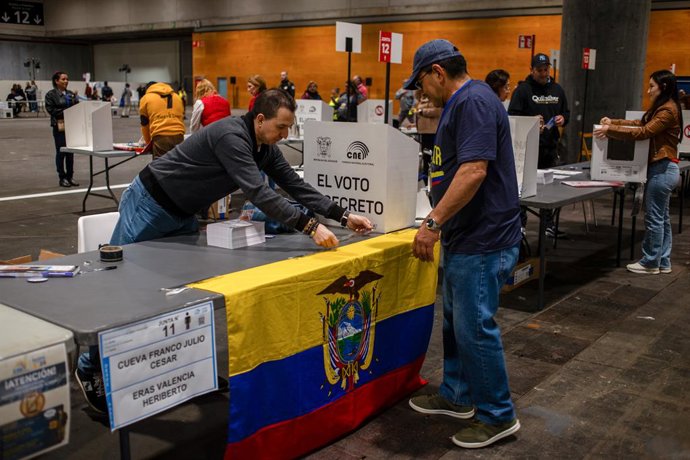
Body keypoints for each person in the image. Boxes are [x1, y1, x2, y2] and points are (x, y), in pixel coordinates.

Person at [404, 39, 522, 449]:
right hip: (466, 234)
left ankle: (498, 415)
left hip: (483, 237)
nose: (421, 92)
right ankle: (457, 396)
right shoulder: (465, 102)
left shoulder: (473, 101)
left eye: (421, 82)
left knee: (474, 328)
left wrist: (433, 222)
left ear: (438, 72)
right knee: (456, 322)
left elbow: (473, 171)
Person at [594, 70, 682, 275]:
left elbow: (643, 132)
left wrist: (609, 131)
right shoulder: (663, 108)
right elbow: (640, 124)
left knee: (654, 218)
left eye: (652, 86)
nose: (648, 90)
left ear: (664, 87)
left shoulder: (667, 110)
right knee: (662, 218)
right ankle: (663, 261)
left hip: (662, 168)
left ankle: (650, 262)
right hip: (663, 168)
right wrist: (613, 123)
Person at [508, 53, 569, 237]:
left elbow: (566, 112)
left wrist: (563, 119)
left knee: (548, 189)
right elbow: (512, 117)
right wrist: (531, 121)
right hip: (527, 149)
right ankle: (520, 227)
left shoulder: (557, 90)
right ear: (532, 70)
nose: (543, 73)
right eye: (539, 70)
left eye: (546, 69)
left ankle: (548, 225)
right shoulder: (523, 91)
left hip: (550, 147)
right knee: (523, 189)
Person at [45, 71, 80, 188]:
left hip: (71, 127)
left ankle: (70, 176)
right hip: (59, 127)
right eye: (63, 79)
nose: (66, 81)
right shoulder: (51, 95)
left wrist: (76, 100)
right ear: (56, 81)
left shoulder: (71, 94)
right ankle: (62, 177)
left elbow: (77, 107)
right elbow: (51, 111)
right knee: (61, 153)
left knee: (70, 154)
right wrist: (67, 111)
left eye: (67, 79)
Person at [138, 81, 185, 158]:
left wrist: (148, 142)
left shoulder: (146, 98)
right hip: (179, 135)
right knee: (177, 164)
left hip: (160, 136)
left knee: (161, 166)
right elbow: (181, 117)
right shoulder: (177, 97)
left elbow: (144, 123)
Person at [414, 90, 442, 183]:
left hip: (432, 131)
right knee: (425, 156)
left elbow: (437, 112)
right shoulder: (421, 98)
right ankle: (426, 176)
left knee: (432, 155)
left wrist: (422, 112)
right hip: (423, 131)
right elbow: (416, 100)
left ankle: (435, 178)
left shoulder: (435, 98)